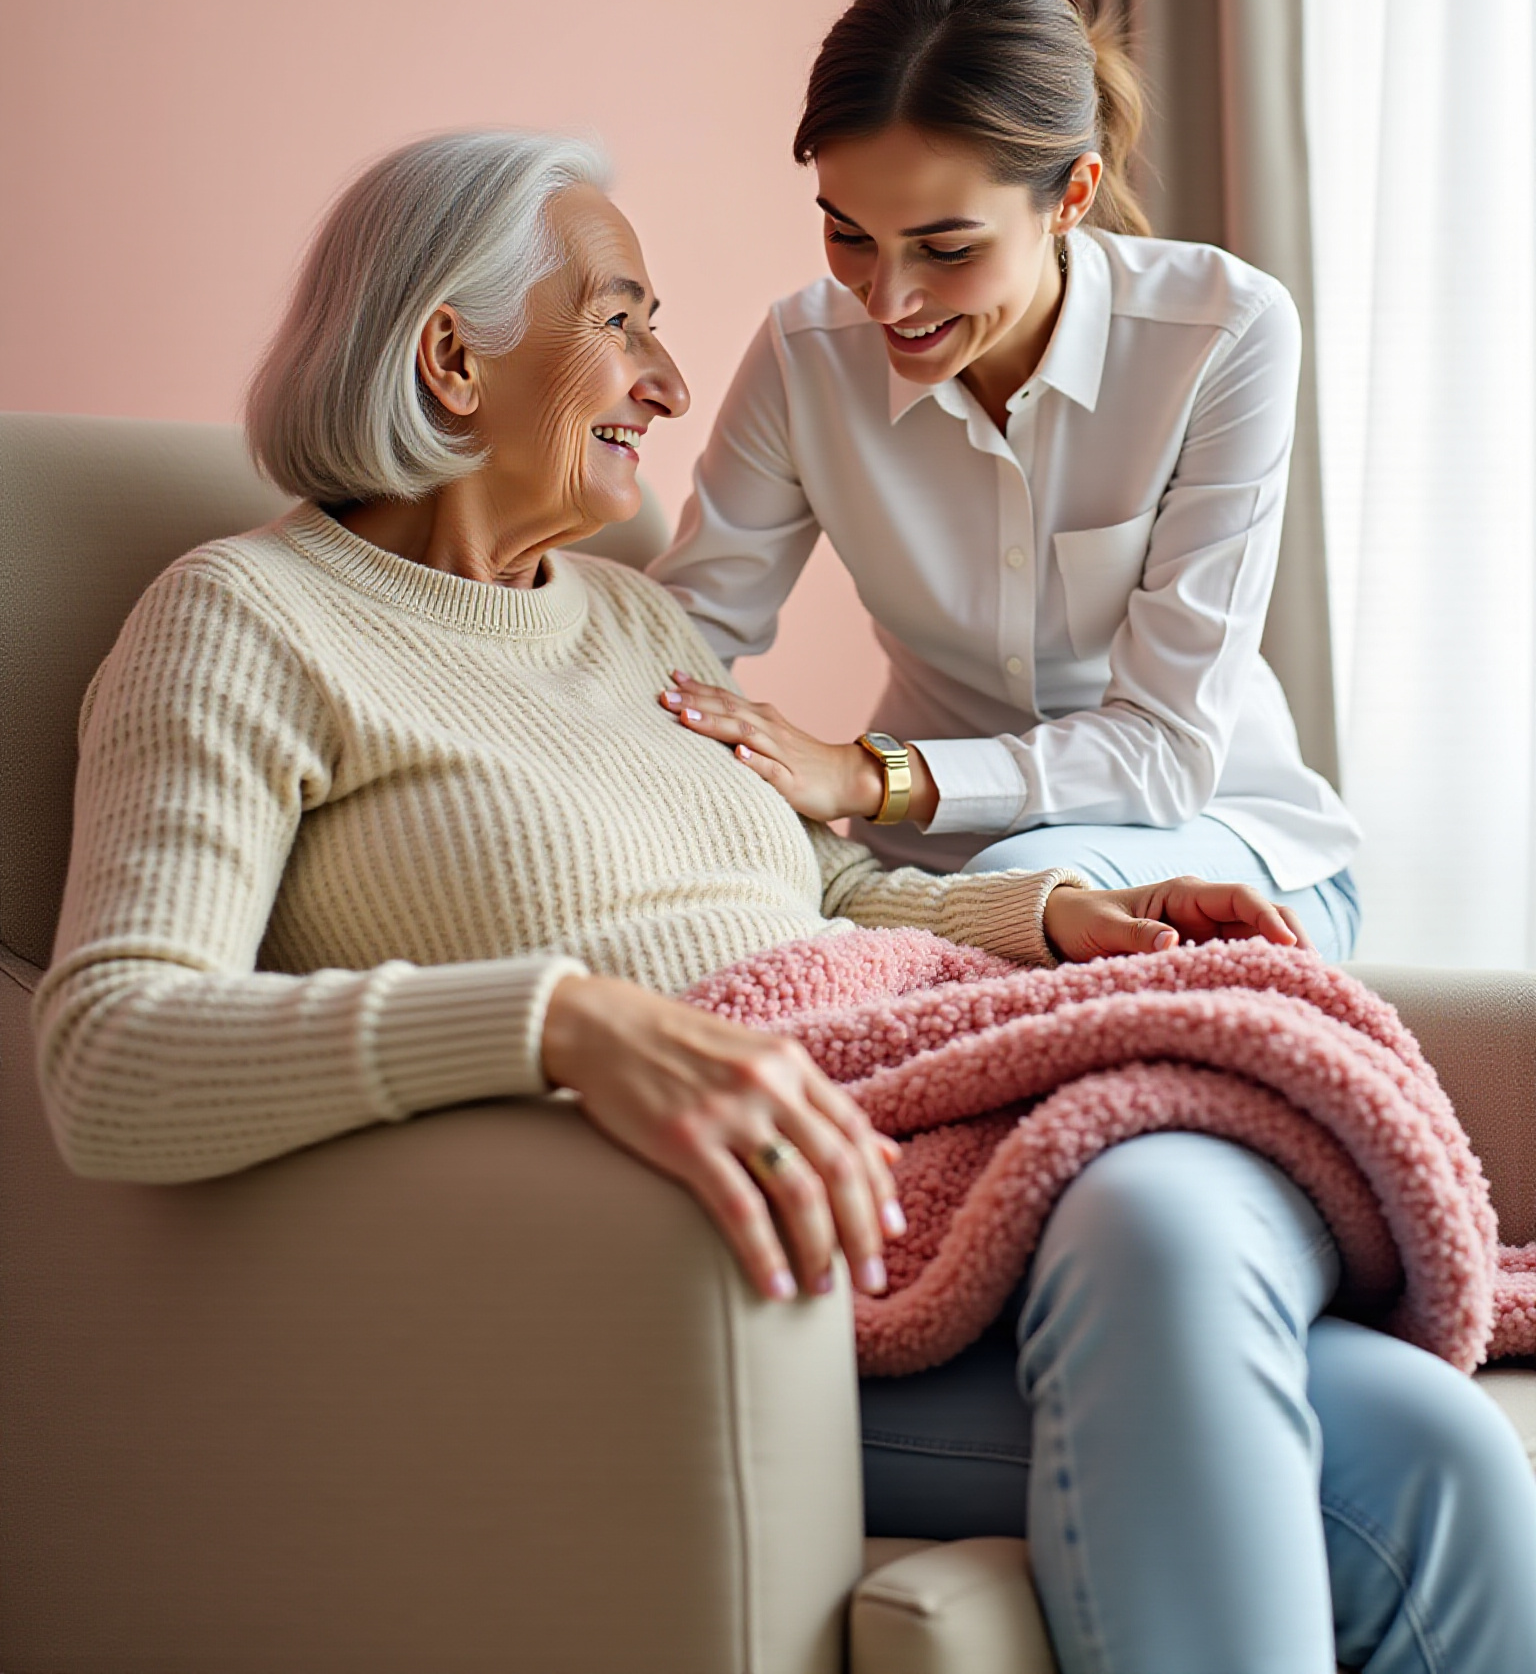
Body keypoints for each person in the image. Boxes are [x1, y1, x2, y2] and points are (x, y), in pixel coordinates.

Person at [35, 134, 1533, 1672]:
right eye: (621, 320)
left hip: (886, 1139)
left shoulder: (633, 621)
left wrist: (1055, 921)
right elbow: (111, 1051)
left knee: (1444, 1451)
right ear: (451, 358)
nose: (670, 383)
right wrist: (559, 1026)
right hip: (704, 1260)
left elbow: (810, 885)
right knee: (1154, 1233)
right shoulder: (245, 622)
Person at [650, 0, 1363, 962]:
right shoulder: (805, 354)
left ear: (1072, 194)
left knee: (1010, 910)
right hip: (920, 875)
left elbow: (1165, 749)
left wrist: (868, 775)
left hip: (1218, 841)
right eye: (848, 234)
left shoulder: (1223, 332)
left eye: (945, 249)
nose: (886, 300)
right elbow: (685, 633)